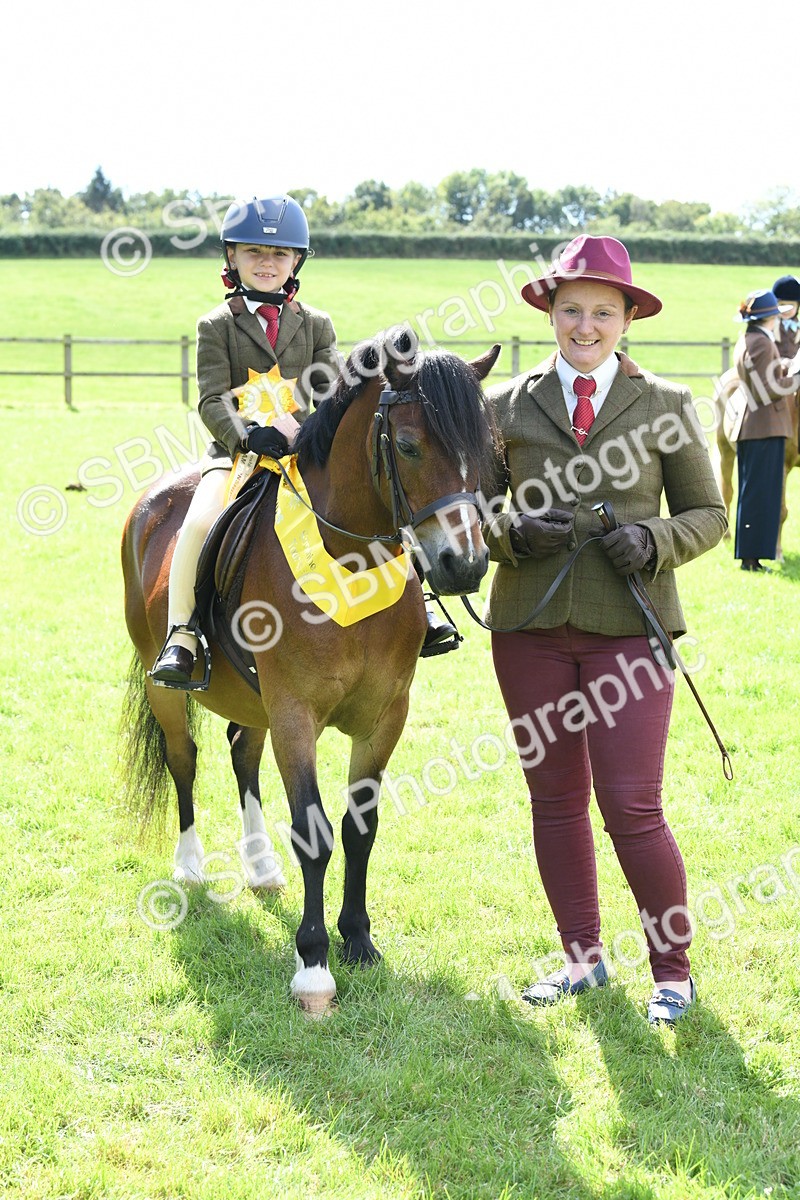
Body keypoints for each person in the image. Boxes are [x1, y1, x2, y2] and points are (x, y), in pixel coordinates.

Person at [481, 235, 727, 1024]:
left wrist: (654, 540)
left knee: (631, 806)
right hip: (529, 627)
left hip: (630, 628)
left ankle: (673, 972)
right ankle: (581, 960)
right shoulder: (504, 407)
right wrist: (514, 533)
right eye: (571, 310)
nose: (584, 326)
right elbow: (473, 514)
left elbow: (710, 514)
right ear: (550, 313)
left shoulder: (667, 404)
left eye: (602, 313)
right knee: (554, 799)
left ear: (627, 319)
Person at [150, 194, 341, 684]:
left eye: (279, 253)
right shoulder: (216, 325)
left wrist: (320, 426)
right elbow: (211, 399)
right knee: (197, 526)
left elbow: (332, 390)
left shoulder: (316, 324)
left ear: (296, 261)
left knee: (373, 495)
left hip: (302, 454)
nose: (267, 263)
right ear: (232, 257)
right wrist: (248, 437)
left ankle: (418, 606)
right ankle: (182, 635)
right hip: (237, 457)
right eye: (254, 252)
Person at [733, 288, 800, 573]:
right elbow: (766, 389)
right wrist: (796, 379)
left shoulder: (750, 339)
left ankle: (752, 558)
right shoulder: (761, 342)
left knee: (755, 494)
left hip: (756, 426)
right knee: (761, 496)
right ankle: (752, 560)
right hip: (765, 426)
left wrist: (784, 367)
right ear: (768, 318)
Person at [772, 274, 800, 362]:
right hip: (773, 366)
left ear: (798, 306)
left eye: (791, 305)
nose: (786, 310)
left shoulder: (798, 326)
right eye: (782, 305)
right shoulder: (771, 324)